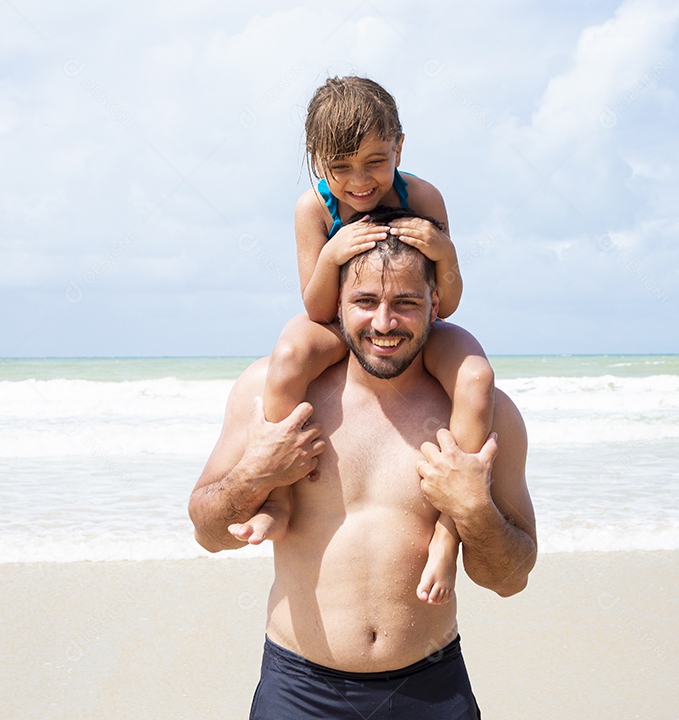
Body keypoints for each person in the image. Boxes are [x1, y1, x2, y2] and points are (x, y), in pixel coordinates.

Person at [189, 208, 537, 719]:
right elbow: (207, 532)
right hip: (299, 690)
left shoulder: (483, 414)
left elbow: (511, 578)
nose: (383, 323)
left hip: (430, 689)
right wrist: (256, 474)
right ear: (336, 304)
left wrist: (474, 509)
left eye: (406, 303)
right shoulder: (271, 394)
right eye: (365, 302)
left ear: (435, 303)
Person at [231, 76, 496, 606]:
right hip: (339, 319)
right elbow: (316, 308)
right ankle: (280, 499)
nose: (359, 181)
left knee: (477, 376)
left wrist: (443, 252)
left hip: (415, 319)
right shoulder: (314, 209)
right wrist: (333, 253)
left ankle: (447, 535)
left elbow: (451, 299)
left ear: (400, 146)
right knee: (286, 356)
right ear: (317, 160)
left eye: (376, 161)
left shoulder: (421, 196)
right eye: (340, 167)